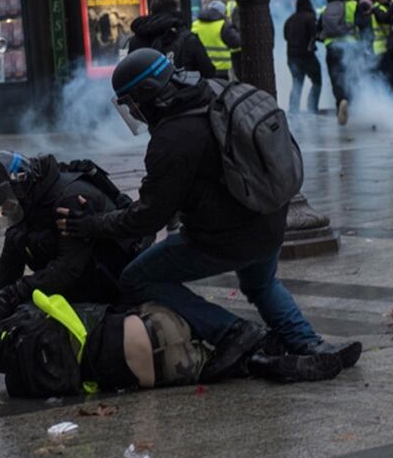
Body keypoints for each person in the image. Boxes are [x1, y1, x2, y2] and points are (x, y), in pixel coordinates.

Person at [57, 48, 361, 369]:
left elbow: (148, 217)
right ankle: (308, 343)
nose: (135, 113)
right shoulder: (216, 88)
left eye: (133, 104)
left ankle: (233, 331)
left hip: (228, 236)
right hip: (270, 215)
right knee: (262, 283)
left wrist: (92, 224)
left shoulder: (172, 138)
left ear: (147, 96)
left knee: (137, 278)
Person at [0, 291, 343, 399]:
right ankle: (267, 343)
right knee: (153, 299)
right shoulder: (39, 312)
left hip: (155, 372)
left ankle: (262, 363)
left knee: (214, 365)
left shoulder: (24, 384)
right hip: (150, 326)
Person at [0, 151, 150, 339]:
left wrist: (16, 292)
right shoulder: (25, 207)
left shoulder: (68, 199)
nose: (4, 210)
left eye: (4, 201)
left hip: (110, 283)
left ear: (20, 182)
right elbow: (8, 267)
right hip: (81, 283)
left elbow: (68, 268)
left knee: (33, 325)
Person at [127, 0, 215, 78]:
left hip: (145, 91)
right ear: (174, 11)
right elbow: (208, 71)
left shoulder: (136, 39)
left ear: (151, 11)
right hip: (183, 91)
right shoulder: (186, 38)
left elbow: (129, 72)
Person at [318, 0, 357, 125]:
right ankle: (348, 102)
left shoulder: (326, 8)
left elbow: (318, 31)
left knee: (335, 78)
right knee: (350, 77)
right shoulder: (352, 5)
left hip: (331, 48)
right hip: (349, 46)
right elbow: (362, 25)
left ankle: (340, 102)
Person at [282, 0, 321, 113]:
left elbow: (285, 37)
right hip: (307, 56)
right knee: (317, 81)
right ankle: (312, 107)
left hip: (292, 56)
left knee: (297, 83)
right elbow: (316, 34)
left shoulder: (290, 19)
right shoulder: (310, 18)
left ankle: (293, 110)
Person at [190, 0, 241, 80]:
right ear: (222, 13)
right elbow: (236, 42)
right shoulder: (222, 25)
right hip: (221, 70)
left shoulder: (195, 24)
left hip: (202, 68)